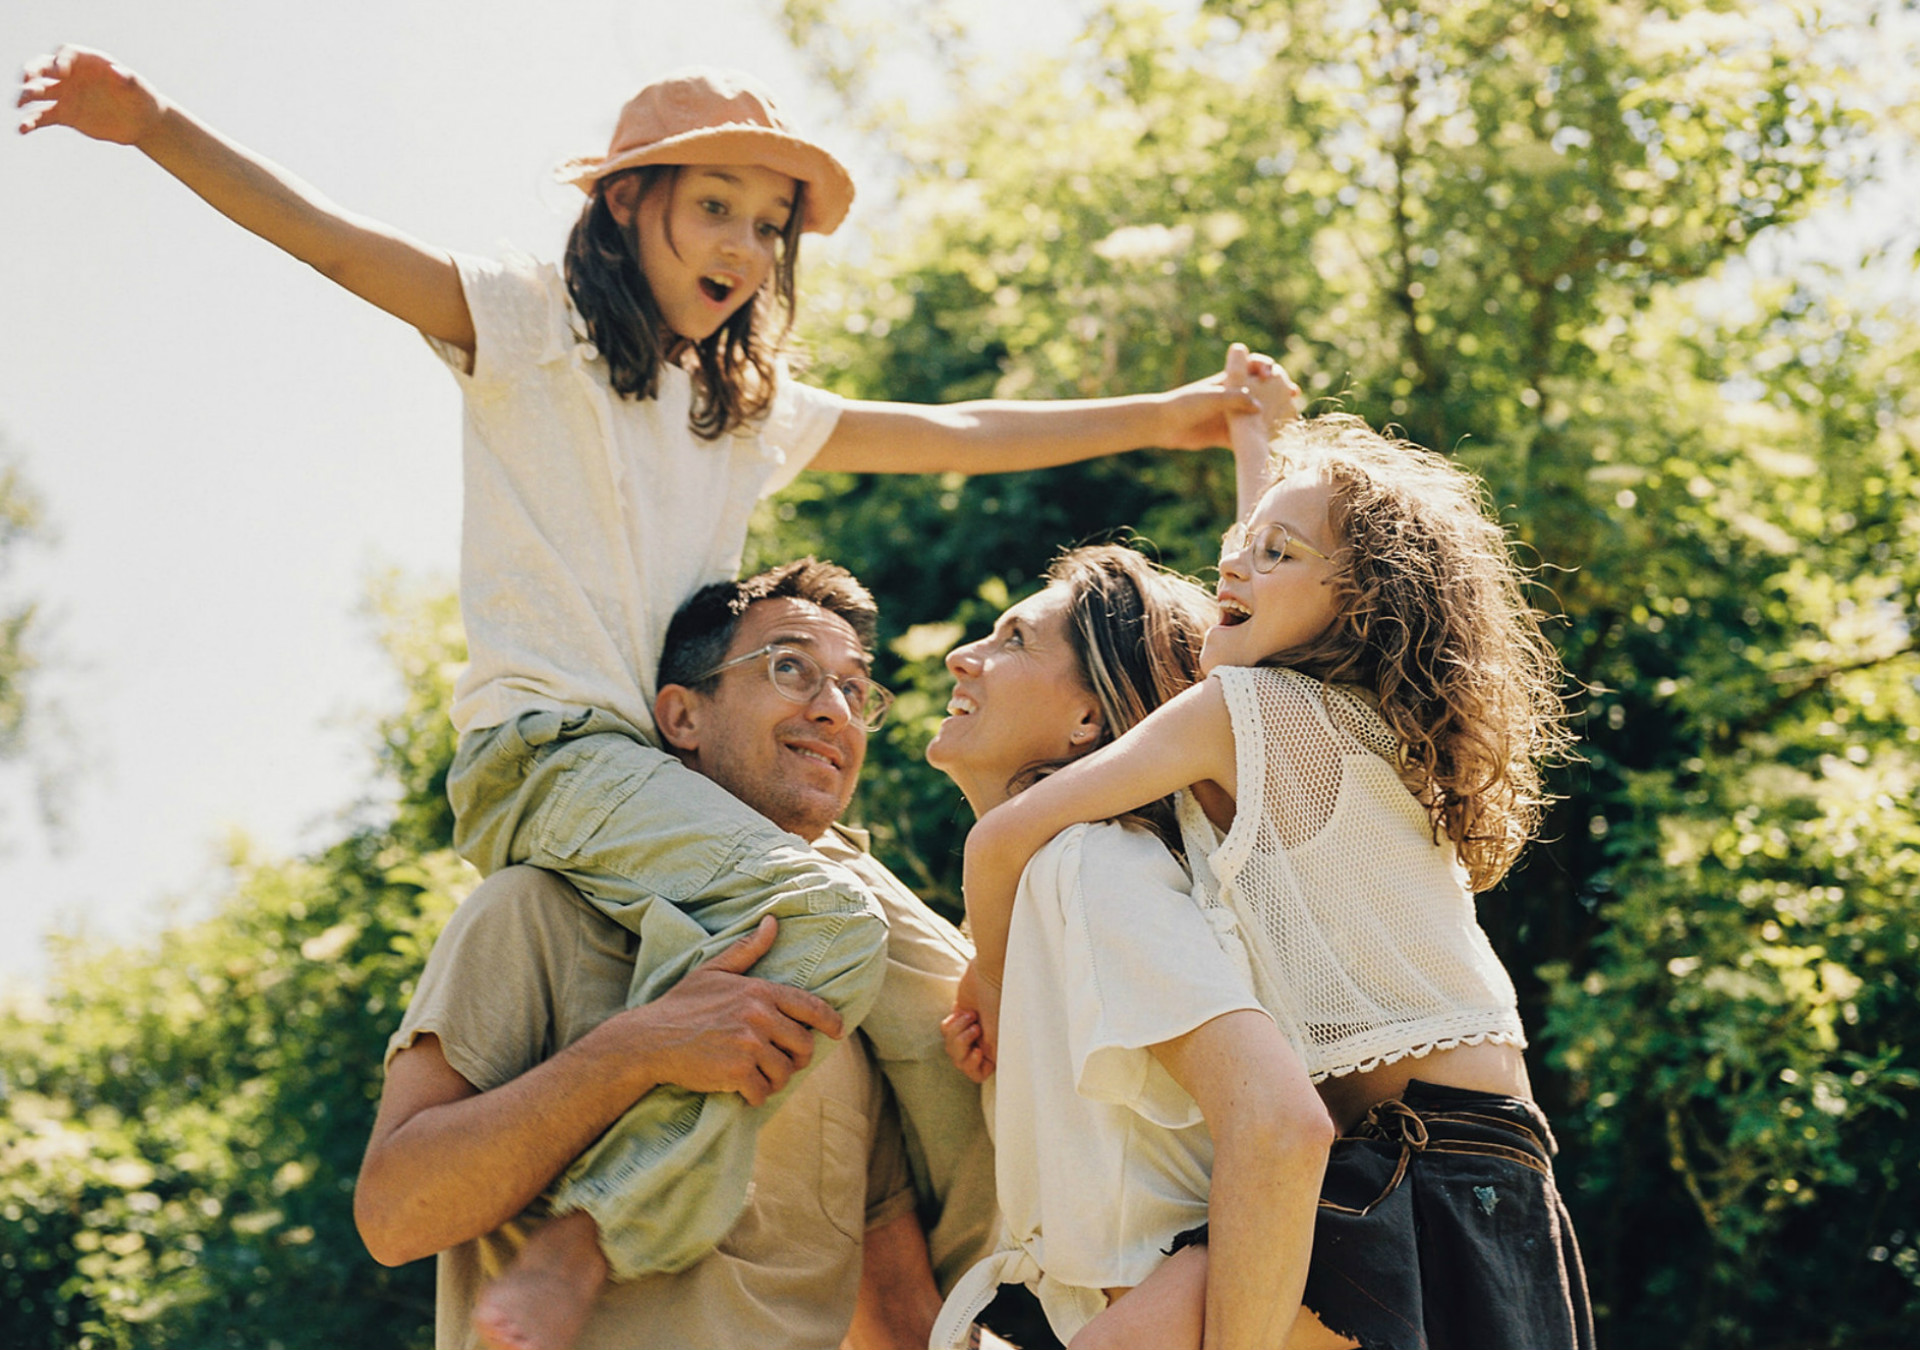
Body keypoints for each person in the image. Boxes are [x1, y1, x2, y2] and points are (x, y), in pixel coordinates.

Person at [17, 46, 1268, 1342]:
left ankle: (1034, 1300)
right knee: (826, 924)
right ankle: (590, 1231)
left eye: (768, 225)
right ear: (627, 203)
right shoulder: (525, 332)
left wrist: (1167, 414)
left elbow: (952, 432)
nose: (743, 245)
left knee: (956, 994)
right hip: (551, 752)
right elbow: (339, 246)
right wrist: (153, 124)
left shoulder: (742, 409)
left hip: (667, 788)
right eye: (714, 205)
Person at [947, 347, 1592, 1350]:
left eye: (1272, 555)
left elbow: (1005, 839)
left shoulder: (1243, 714)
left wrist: (990, 981)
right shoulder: (1350, 721)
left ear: (1361, 602)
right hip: (1479, 1155)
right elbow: (1281, 568)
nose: (1233, 567)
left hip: (1418, 1162)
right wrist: (1259, 437)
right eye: (1241, 547)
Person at [355, 559, 997, 1350]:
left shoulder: (851, 989)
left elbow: (900, 1317)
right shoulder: (534, 915)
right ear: (683, 717)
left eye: (856, 690)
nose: (834, 711)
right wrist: (634, 1051)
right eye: (790, 667)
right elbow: (393, 1216)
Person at [909, 542, 1335, 1350]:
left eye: (1014, 640)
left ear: (1088, 720)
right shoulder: (1053, 891)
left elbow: (1280, 1126)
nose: (966, 658)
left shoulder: (1094, 864)